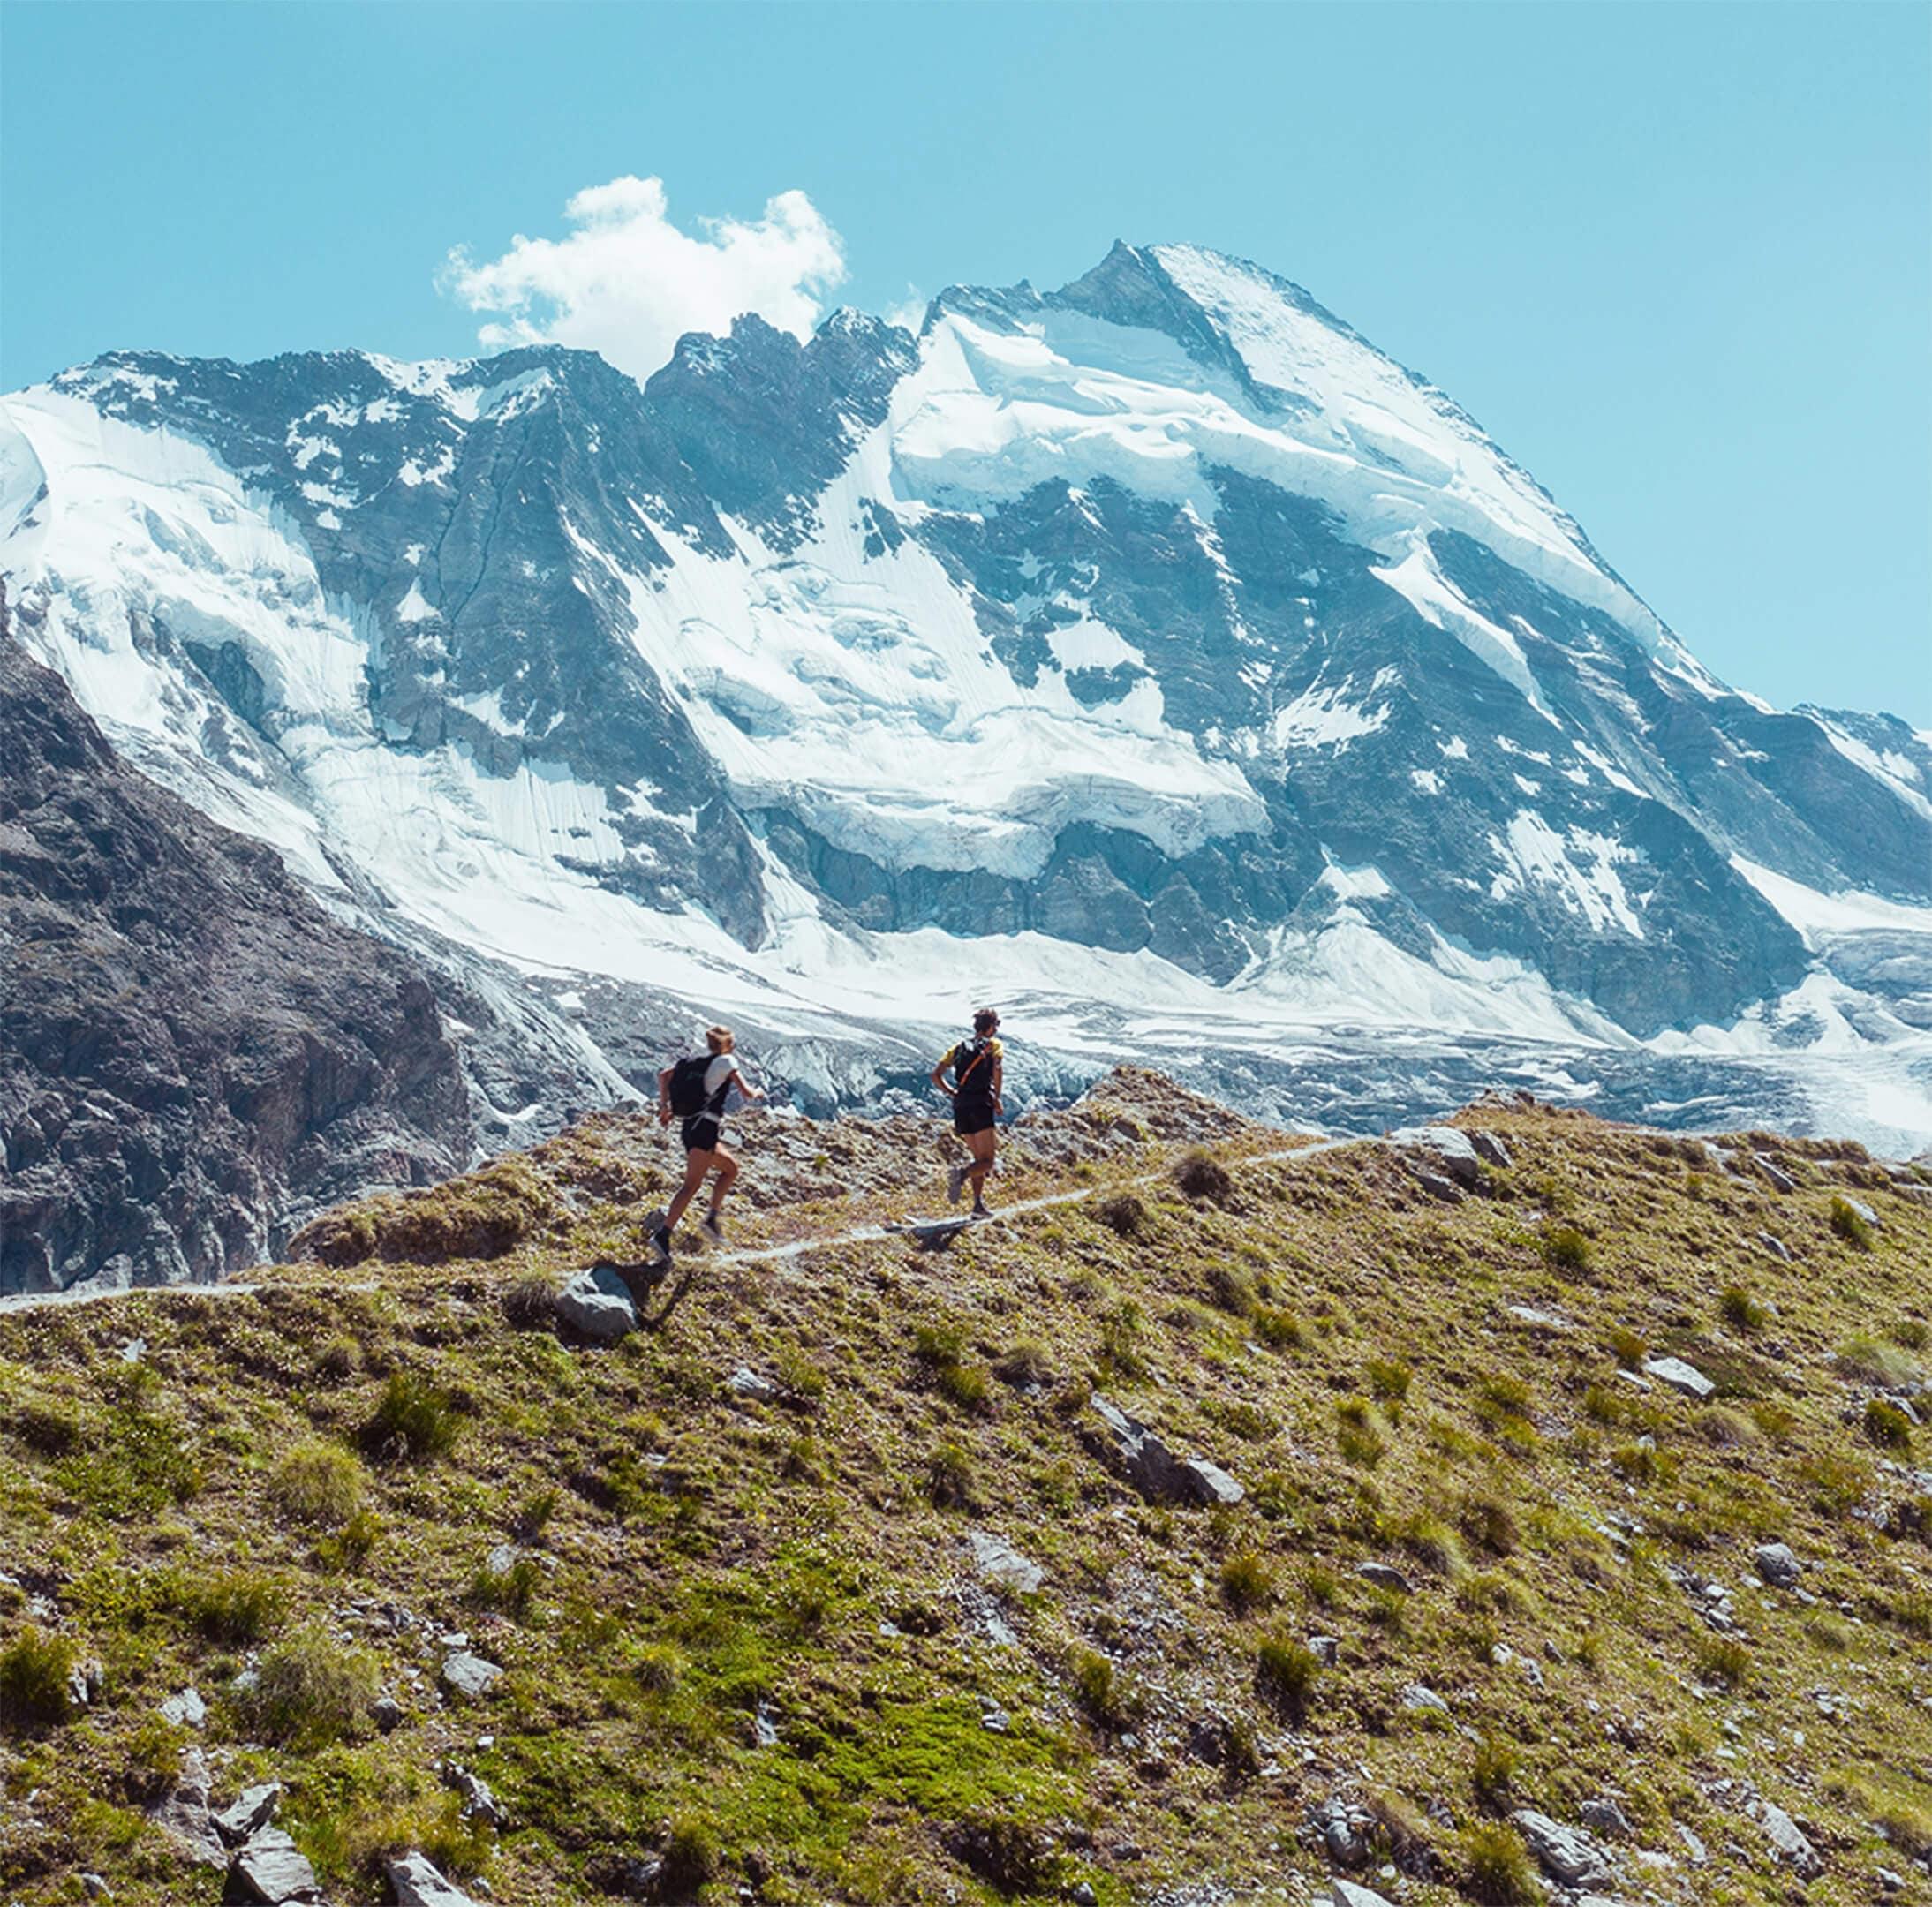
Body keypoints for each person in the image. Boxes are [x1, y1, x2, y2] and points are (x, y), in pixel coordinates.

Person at [654, 1025, 765, 1254]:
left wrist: (664, 1108)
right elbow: (746, 1092)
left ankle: (711, 1219)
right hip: (704, 1127)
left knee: (731, 1168)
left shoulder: (695, 1061)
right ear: (727, 1045)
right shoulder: (727, 1062)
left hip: (690, 1127)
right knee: (691, 1185)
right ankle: (663, 1236)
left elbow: (664, 1076)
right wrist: (758, 1092)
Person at [932, 1008, 1003, 1217]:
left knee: (978, 1158)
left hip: (961, 1105)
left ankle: (978, 1205)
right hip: (981, 1103)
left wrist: (952, 1092)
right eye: (996, 1024)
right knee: (988, 1161)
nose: (996, 1029)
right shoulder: (994, 1045)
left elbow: (936, 1075)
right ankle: (960, 1175)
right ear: (990, 1027)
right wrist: (997, 1098)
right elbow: (997, 1069)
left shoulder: (958, 1048)